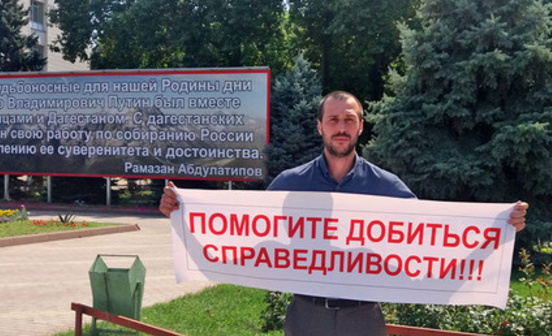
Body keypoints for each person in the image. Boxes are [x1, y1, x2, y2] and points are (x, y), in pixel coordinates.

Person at [159, 91, 529, 336]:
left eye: (348, 120)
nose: (341, 127)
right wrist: (182, 214)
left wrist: (500, 226)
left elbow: (433, 241)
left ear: (360, 127)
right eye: (333, 120)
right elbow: (243, 238)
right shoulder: (290, 183)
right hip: (305, 315)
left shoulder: (388, 187)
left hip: (363, 317)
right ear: (320, 126)